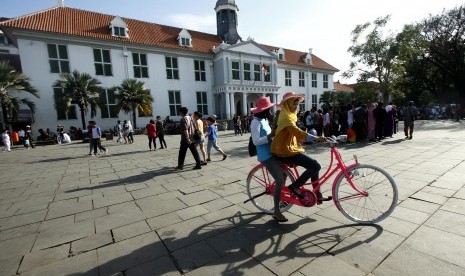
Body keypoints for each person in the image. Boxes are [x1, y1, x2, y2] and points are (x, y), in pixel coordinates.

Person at [270, 92, 331, 205]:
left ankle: (318, 195)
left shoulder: (288, 114)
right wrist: (316, 138)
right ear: (287, 104)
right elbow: (297, 132)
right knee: (315, 166)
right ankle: (295, 186)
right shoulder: (286, 117)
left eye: (297, 104)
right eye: (294, 103)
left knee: (314, 166)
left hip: (288, 148)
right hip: (284, 150)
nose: (296, 106)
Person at [250, 96, 287, 221]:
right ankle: (276, 211)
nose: (270, 111)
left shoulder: (264, 120)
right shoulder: (255, 122)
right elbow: (256, 142)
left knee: (285, 174)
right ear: (264, 110)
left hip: (273, 152)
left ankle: (281, 198)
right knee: (280, 180)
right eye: (269, 109)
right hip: (265, 155)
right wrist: (271, 135)